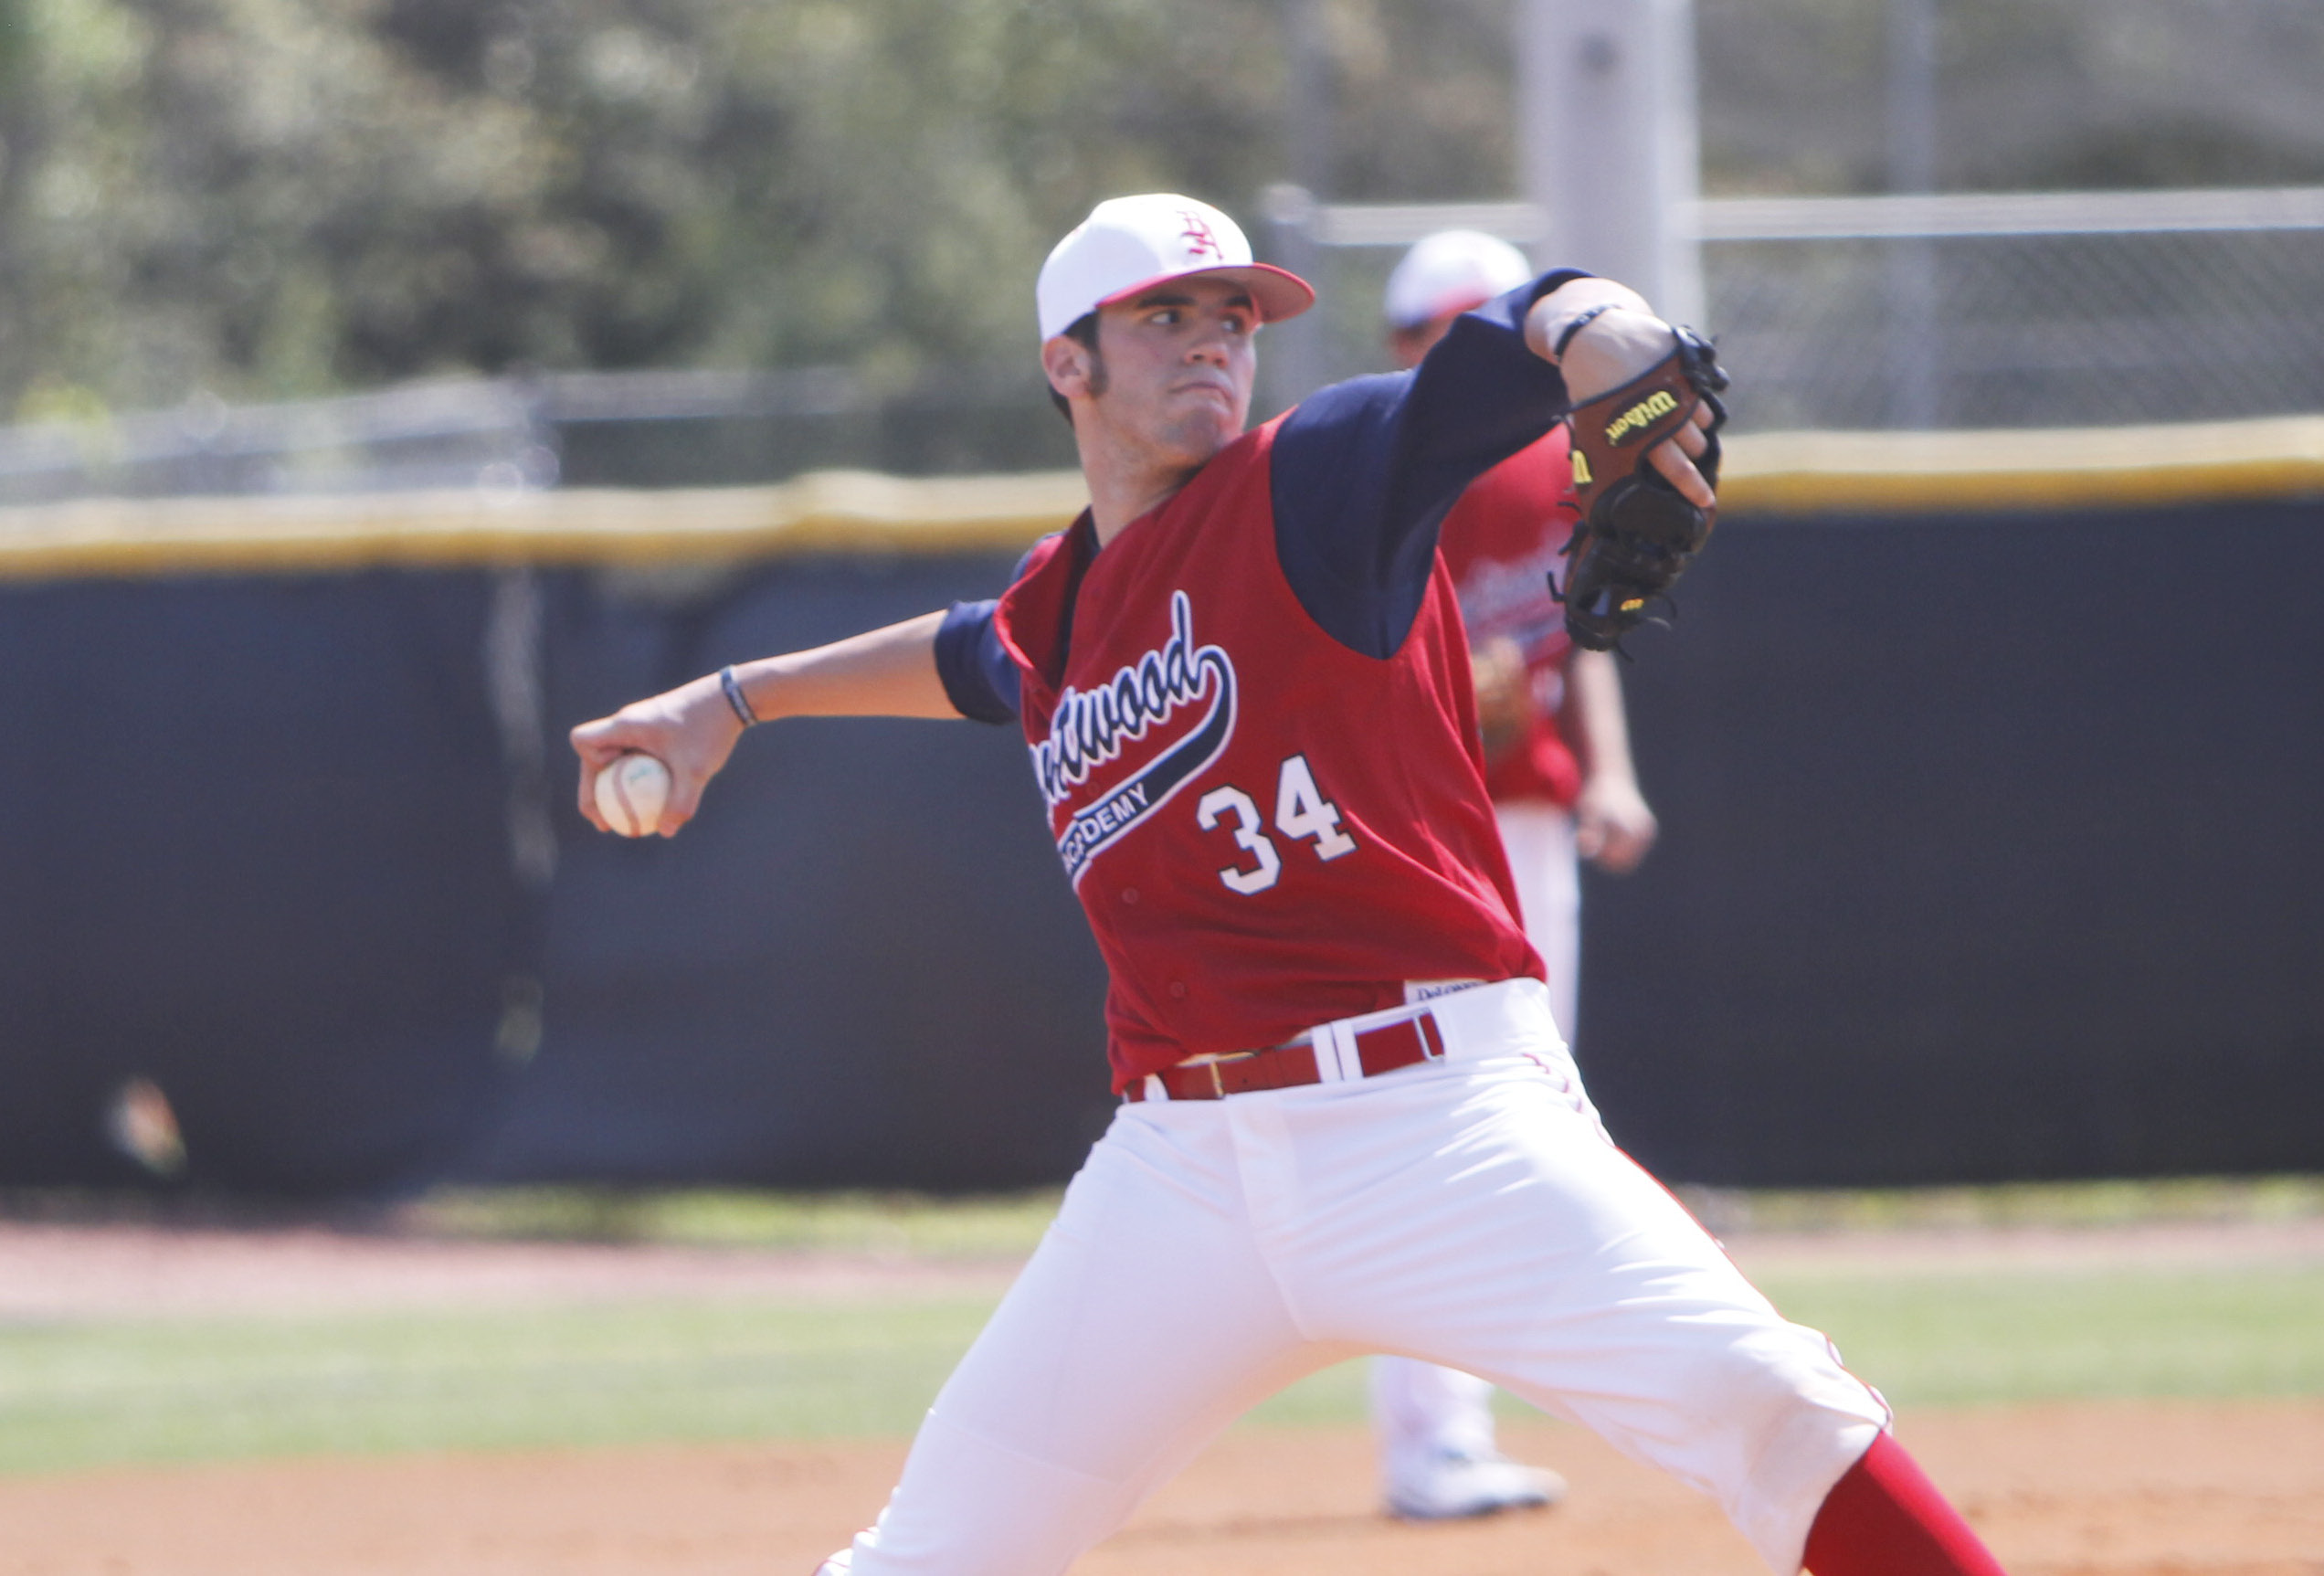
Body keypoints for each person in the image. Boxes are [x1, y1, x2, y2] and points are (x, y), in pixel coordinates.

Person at [571, 193, 2009, 1576]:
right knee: (937, 1550)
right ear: (1065, 361)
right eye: (1165, 314)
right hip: (1182, 1174)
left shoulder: (1317, 480)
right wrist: (729, 700)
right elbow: (969, 653)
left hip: (1436, 1122)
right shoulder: (1058, 604)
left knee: (1775, 1415)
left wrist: (1591, 316)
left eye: (1235, 314)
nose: (1214, 338)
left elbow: (1493, 353)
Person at [1361, 228, 1662, 1521]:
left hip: (1531, 817)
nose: (1476, 350)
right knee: (1434, 1119)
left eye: (1492, 323)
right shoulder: (1372, 475)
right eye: (1447, 329)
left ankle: (1468, 1418)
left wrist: (1612, 770)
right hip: (1421, 832)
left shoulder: (1554, 469)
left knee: (1529, 1110)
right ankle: (1430, 1436)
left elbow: (1582, 624)